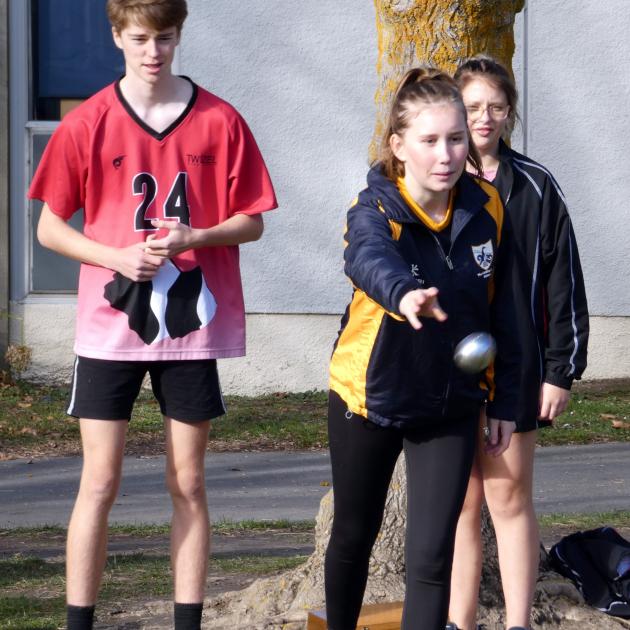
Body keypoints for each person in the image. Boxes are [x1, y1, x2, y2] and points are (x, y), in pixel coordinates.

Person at [28, 1, 277, 628]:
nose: (152, 51)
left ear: (178, 36)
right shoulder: (87, 122)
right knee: (99, 483)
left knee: (188, 483)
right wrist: (115, 254)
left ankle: (186, 621)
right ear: (116, 36)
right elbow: (50, 228)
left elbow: (253, 221)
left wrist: (195, 239)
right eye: (138, 38)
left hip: (191, 329)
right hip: (110, 330)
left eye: (164, 38)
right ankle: (78, 620)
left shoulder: (220, 119)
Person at [324, 67, 521, 630]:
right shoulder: (374, 209)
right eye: (430, 140)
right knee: (353, 536)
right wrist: (405, 294)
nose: (446, 153)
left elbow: (506, 312)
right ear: (399, 146)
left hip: (450, 402)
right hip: (371, 395)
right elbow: (365, 258)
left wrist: (504, 401)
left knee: (432, 558)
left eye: (456, 139)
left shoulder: (488, 208)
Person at [447, 56, 588, 630]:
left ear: (510, 112)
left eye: (495, 107)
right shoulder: (438, 179)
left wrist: (561, 370)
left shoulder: (536, 186)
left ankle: (517, 623)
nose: (484, 118)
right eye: (473, 106)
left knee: (508, 499)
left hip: (516, 370)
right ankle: (459, 621)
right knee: (461, 506)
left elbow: (565, 281)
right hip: (449, 372)